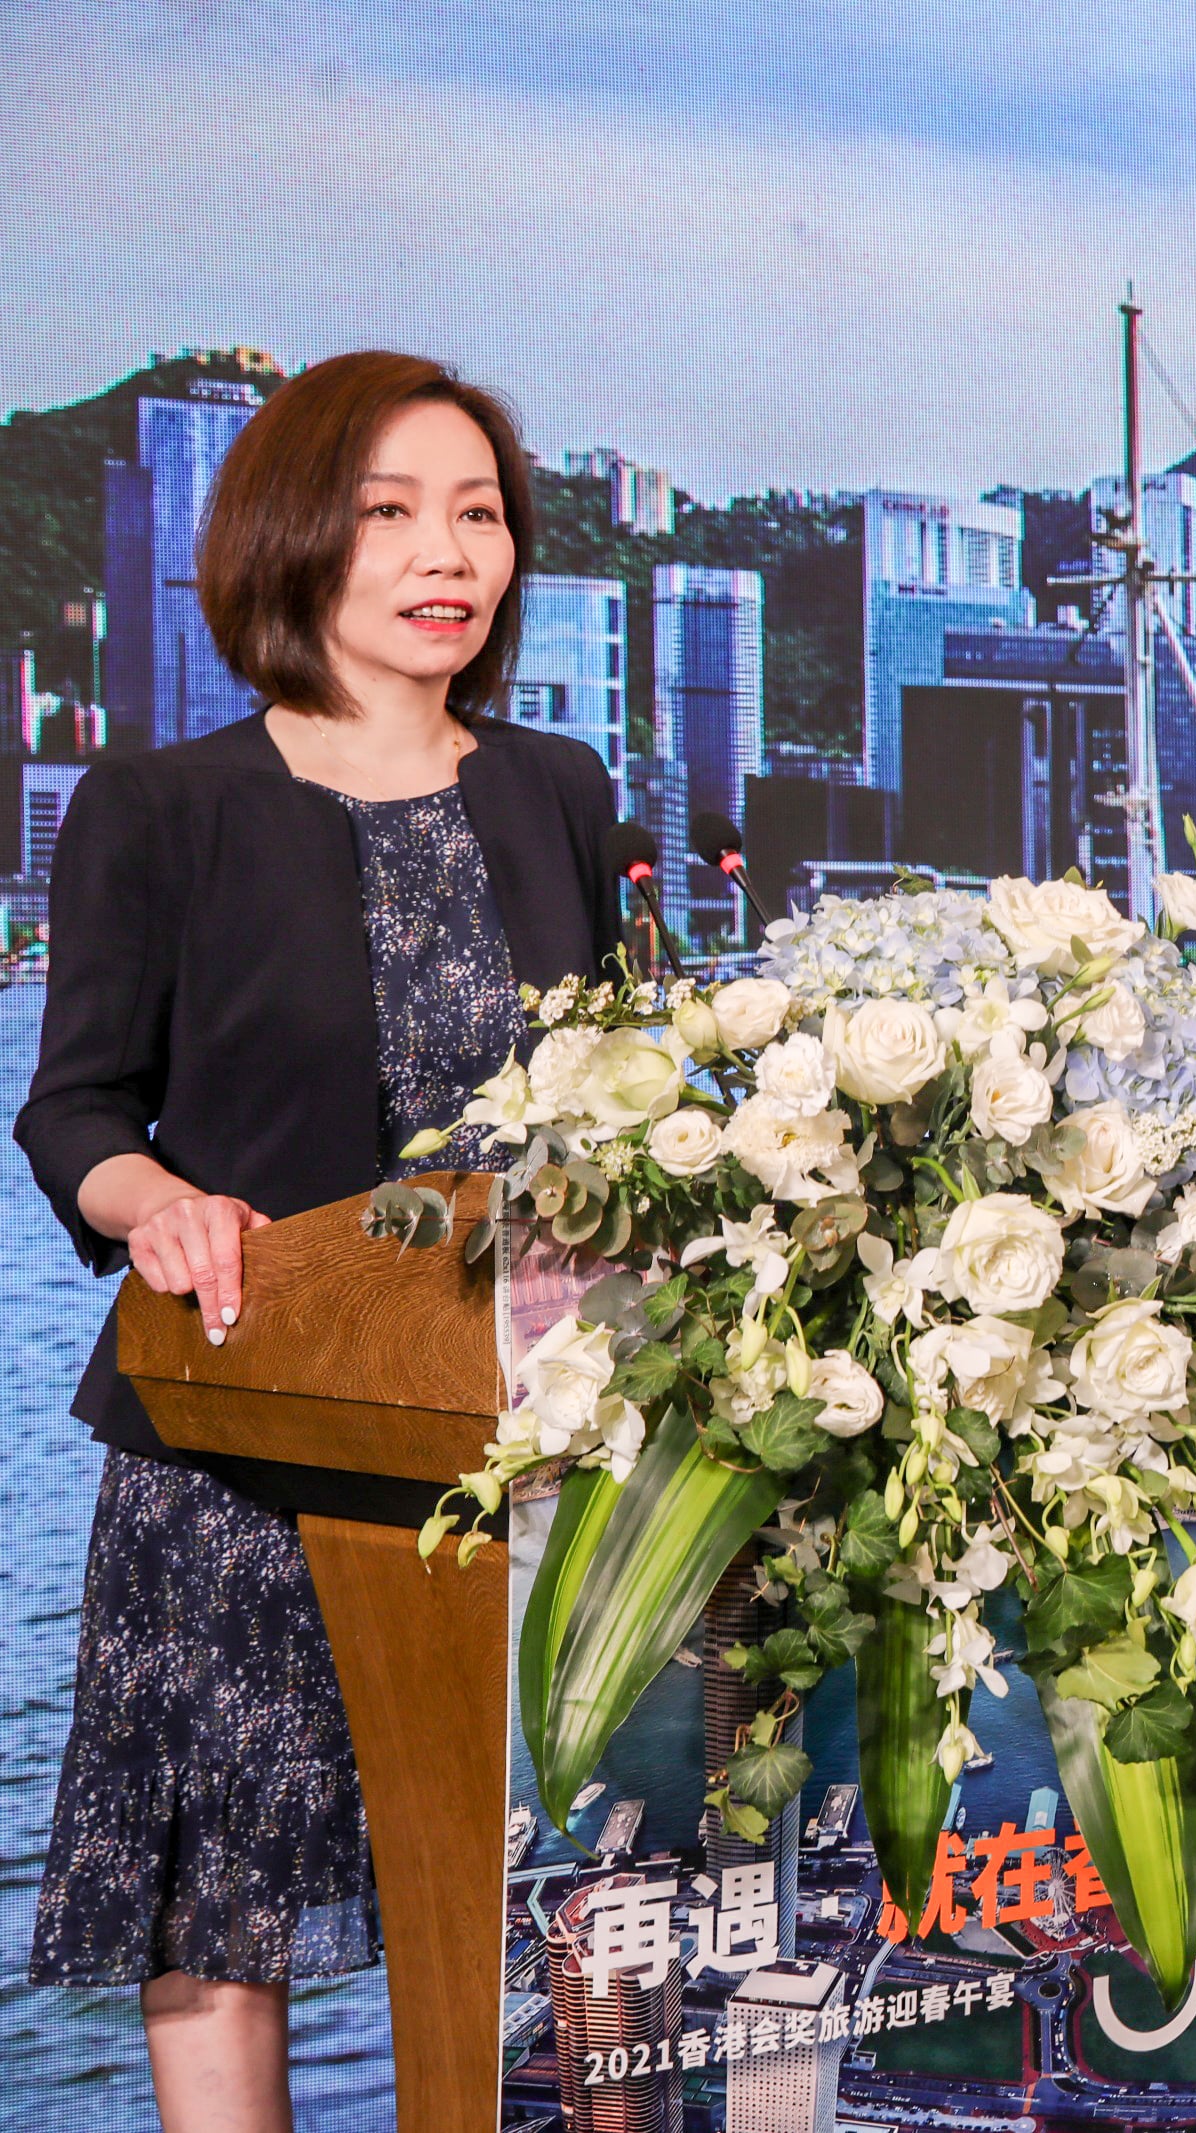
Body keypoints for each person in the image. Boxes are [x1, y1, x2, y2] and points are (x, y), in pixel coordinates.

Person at [15, 352, 620, 2133]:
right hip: (242, 1431)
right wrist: (159, 1205)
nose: (449, 553)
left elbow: (627, 1096)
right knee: (222, 1907)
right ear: (292, 537)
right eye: (391, 512)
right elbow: (76, 1113)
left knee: (554, 1879)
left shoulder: (561, 789)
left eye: (480, 514)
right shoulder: (159, 807)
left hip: (520, 1451)